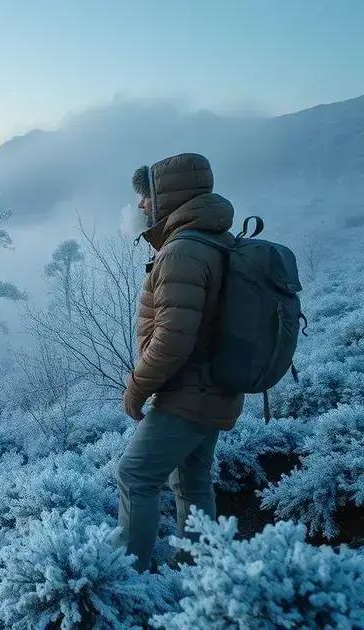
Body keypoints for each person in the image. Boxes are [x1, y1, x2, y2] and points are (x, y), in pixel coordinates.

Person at [116, 152, 244, 572]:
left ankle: (124, 583)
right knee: (192, 481)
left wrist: (137, 387)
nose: (140, 206)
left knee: (135, 477)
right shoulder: (214, 239)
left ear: (165, 197)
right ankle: (203, 577)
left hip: (187, 394)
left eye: (144, 197)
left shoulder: (183, 250)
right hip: (216, 389)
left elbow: (172, 339)